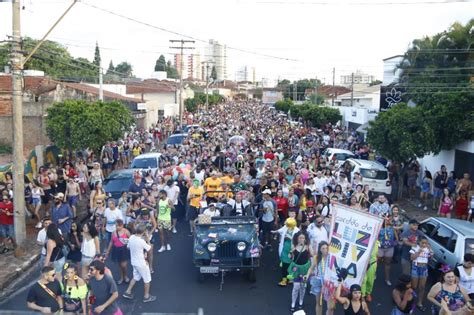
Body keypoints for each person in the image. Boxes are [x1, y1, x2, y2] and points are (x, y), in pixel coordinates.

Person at [122, 224, 157, 303]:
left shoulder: (131, 237)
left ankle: (128, 292)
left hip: (134, 262)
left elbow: (128, 247)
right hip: (141, 263)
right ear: (144, 232)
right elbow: (149, 249)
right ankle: (146, 296)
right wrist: (148, 239)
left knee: (136, 277)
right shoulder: (141, 241)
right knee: (147, 279)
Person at [307, 241, 335, 315]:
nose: (325, 250)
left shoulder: (332, 257)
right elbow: (311, 268)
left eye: (326, 248)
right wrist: (307, 275)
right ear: (320, 249)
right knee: (319, 302)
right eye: (323, 248)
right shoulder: (317, 257)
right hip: (319, 281)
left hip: (329, 283)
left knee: (331, 307)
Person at [287, 231, 312, 312]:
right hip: (296, 269)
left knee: (303, 287)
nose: (302, 239)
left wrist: (309, 246)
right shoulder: (293, 246)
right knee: (296, 287)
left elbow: (313, 254)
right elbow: (290, 257)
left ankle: (301, 301)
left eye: (303, 238)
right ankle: (293, 302)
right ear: (297, 239)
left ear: (305, 239)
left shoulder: (308, 246)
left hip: (305, 269)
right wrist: (292, 251)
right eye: (300, 238)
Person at [271, 217, 300, 287]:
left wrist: (289, 238)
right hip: (284, 248)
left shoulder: (297, 231)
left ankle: (290, 278)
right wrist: (274, 232)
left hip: (292, 249)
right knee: (284, 265)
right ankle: (284, 279)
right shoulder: (286, 227)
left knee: (292, 264)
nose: (288, 227)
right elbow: (281, 230)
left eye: (289, 226)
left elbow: (299, 241)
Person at [409, 236, 433, 311]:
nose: (424, 245)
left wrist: (431, 253)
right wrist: (419, 251)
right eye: (423, 243)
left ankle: (419, 303)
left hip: (424, 268)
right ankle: (410, 300)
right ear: (419, 242)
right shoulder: (415, 247)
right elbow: (412, 258)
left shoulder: (428, 249)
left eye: (426, 243)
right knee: (414, 286)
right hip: (416, 267)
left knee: (422, 287)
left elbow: (430, 258)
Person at [105, 219, 130, 285]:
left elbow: (130, 240)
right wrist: (107, 251)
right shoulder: (114, 232)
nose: (117, 227)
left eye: (119, 226)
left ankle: (125, 275)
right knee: (120, 265)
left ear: (122, 225)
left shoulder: (126, 231)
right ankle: (122, 277)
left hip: (124, 249)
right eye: (116, 226)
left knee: (123, 265)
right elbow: (111, 242)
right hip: (116, 250)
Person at [378, 215, 398, 286]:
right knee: (378, 262)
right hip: (380, 248)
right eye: (387, 219)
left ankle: (387, 279)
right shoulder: (379, 227)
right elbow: (376, 237)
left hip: (389, 248)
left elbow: (396, 238)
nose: (388, 220)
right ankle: (374, 274)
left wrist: (393, 243)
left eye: (390, 219)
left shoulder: (393, 228)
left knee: (388, 263)